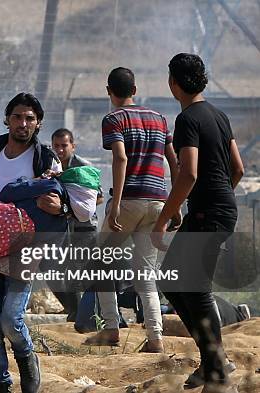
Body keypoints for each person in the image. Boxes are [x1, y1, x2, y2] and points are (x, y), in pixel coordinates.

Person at [152, 53, 244, 393]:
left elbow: (188, 172)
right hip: (217, 208)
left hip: (208, 211)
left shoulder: (188, 119)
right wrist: (219, 197)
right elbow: (238, 168)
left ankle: (217, 367)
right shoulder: (219, 116)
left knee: (194, 286)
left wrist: (163, 219)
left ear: (174, 83)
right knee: (173, 282)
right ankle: (212, 360)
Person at [82, 67, 179, 354]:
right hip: (158, 201)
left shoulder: (113, 118)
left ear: (108, 91)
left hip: (128, 201)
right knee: (146, 273)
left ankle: (111, 328)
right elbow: (174, 163)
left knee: (101, 263)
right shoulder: (160, 119)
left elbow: (121, 158)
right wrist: (174, 205)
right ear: (135, 90)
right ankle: (155, 337)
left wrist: (115, 206)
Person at [0, 92, 65, 393]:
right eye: (17, 117)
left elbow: (62, 196)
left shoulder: (44, 158)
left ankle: (27, 360)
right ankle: (1, 384)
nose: (23, 123)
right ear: (8, 119)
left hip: (24, 247)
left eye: (29, 118)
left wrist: (59, 205)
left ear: (38, 123)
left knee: (10, 319)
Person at [50, 128, 104, 321]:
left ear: (73, 145)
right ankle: (76, 311)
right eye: (56, 146)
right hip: (63, 228)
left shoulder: (82, 166)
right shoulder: (52, 167)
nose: (60, 150)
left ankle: (93, 316)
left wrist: (71, 208)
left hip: (84, 228)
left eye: (64, 146)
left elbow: (98, 197)